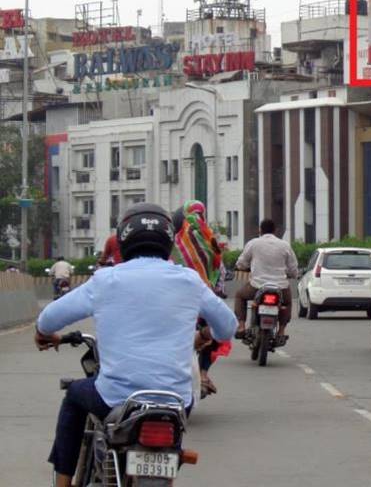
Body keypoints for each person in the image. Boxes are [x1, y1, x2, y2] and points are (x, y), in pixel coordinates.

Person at [35, 203, 237, 487]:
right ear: (168, 241)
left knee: (74, 397)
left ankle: (63, 482)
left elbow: (48, 319)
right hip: (177, 403)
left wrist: (43, 333)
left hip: (115, 398)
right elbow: (228, 327)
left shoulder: (106, 280)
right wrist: (206, 335)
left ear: (124, 239)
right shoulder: (189, 280)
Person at [170, 200, 228, 396]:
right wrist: (216, 292)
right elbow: (219, 273)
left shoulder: (173, 247)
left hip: (176, 307)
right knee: (214, 332)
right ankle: (203, 373)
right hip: (203, 305)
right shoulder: (210, 242)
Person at [234, 219, 297, 344]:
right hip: (280, 287)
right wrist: (291, 274)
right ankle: (281, 331)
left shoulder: (253, 243)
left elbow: (241, 263)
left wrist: (242, 267)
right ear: (275, 231)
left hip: (257, 286)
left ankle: (241, 326)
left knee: (239, 295)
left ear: (260, 230)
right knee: (288, 302)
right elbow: (293, 268)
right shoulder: (284, 245)